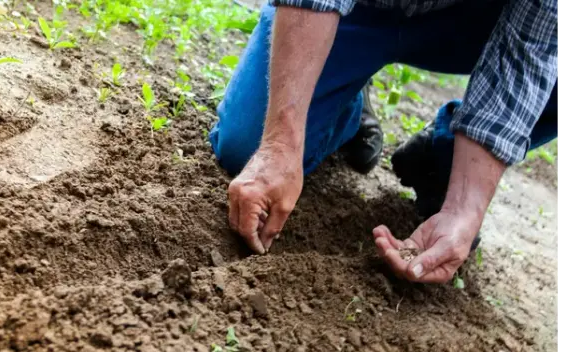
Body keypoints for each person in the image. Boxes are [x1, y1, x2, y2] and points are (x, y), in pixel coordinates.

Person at [209, 0, 558, 284]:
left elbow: (533, 49)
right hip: (358, 10)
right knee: (248, 146)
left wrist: (464, 209)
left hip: (474, 21)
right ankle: (346, 102)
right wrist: (280, 145)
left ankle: (446, 158)